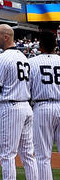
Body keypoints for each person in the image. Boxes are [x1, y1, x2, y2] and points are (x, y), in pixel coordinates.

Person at [0, 24, 44, 180]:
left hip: (11, 106)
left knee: (7, 154)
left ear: (5, 37)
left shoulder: (2, 58)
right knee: (28, 154)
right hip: (26, 106)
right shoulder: (23, 57)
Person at [28, 29, 60, 172]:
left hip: (42, 106)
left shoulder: (31, 62)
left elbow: (27, 89)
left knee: (42, 157)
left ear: (40, 45)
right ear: (55, 46)